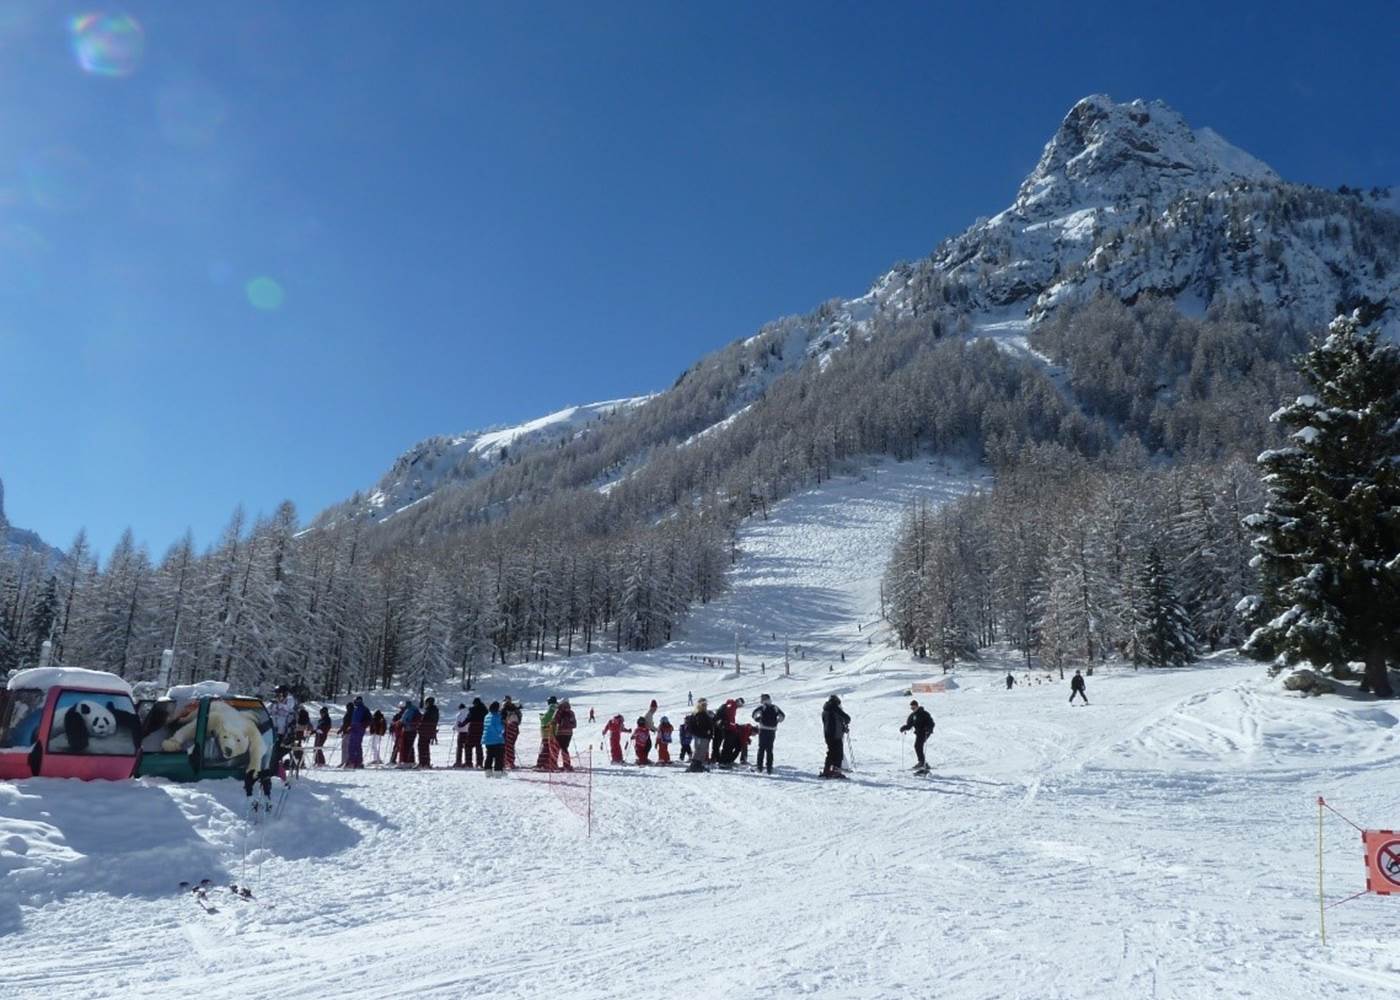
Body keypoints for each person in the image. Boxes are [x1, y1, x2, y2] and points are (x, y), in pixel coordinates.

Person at [751, 693, 785, 774]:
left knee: (761, 748)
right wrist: (777, 721)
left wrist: (758, 719)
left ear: (764, 700)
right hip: (772, 730)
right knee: (769, 749)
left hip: (763, 729)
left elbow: (754, 714)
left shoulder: (762, 707)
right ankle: (769, 767)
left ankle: (759, 767)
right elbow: (782, 716)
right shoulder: (775, 707)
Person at [899, 699, 935, 774]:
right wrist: (904, 728)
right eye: (911, 708)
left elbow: (931, 723)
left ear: (917, 706)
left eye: (914, 707)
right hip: (919, 733)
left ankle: (922, 762)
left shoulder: (924, 713)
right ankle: (923, 763)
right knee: (918, 746)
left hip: (925, 732)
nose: (913, 709)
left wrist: (928, 728)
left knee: (918, 745)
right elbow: (909, 725)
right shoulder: (912, 716)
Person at [820, 695, 849, 779]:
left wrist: (843, 728)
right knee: (838, 754)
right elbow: (847, 718)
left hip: (828, 735)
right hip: (836, 735)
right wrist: (845, 724)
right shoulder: (834, 708)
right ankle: (836, 772)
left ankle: (827, 771)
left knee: (831, 753)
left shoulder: (825, 710)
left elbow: (833, 722)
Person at [686, 699, 713, 773]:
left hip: (704, 736)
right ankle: (693, 766)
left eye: (705, 705)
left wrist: (709, 733)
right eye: (703, 705)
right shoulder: (697, 714)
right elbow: (696, 726)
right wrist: (704, 732)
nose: (705, 706)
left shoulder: (704, 714)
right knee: (699, 750)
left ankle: (699, 764)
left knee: (703, 750)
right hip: (700, 736)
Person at [346, 696, 370, 768]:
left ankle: (357, 762)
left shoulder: (364, 709)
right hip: (354, 728)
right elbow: (353, 720)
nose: (354, 702)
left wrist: (362, 725)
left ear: (359, 701)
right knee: (351, 745)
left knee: (356, 745)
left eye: (355, 701)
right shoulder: (355, 709)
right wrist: (350, 726)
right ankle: (352, 761)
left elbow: (369, 719)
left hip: (359, 729)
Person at [535, 696, 560, 770]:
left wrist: (541, 717)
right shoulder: (557, 708)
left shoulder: (551, 708)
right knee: (551, 748)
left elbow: (546, 719)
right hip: (554, 732)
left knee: (545, 748)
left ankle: (541, 764)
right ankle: (551, 763)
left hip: (547, 732)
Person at [483, 701, 506, 775]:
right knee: (498, 756)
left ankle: (488, 770)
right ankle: (498, 771)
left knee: (489, 755)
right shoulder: (498, 717)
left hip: (487, 739)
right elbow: (499, 728)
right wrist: (503, 726)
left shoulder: (487, 716)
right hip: (497, 739)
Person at [554, 698, 577, 771]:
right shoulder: (571, 712)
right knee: (565, 748)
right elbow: (574, 724)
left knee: (556, 748)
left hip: (560, 732)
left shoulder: (559, 711)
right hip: (569, 733)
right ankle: (567, 764)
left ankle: (554, 763)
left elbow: (555, 720)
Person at [417, 697, 439, 769]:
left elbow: (424, 720)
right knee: (426, 746)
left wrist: (419, 726)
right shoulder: (435, 710)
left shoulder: (429, 710)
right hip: (430, 730)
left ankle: (422, 762)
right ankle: (426, 762)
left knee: (422, 746)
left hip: (425, 731)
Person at [466, 697, 488, 768]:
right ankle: (480, 762)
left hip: (472, 729)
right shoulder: (484, 710)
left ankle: (469, 762)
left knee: (468, 746)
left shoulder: (472, 710)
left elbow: (468, 719)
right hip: (481, 729)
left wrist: (461, 724)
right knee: (479, 746)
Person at [398, 700, 421, 767]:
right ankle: (411, 760)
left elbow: (403, 719)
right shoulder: (416, 710)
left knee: (406, 746)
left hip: (408, 729)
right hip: (414, 730)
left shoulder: (409, 710)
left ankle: (406, 761)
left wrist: (398, 723)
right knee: (411, 745)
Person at [502, 697, 522, 768]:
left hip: (508, 729)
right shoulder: (516, 709)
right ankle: (509, 761)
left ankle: (508, 762)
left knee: (507, 746)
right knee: (510, 745)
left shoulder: (504, 709)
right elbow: (519, 719)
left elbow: (502, 719)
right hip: (514, 728)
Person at [453, 702, 471, 767]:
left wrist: (454, 728)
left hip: (461, 733)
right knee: (467, 747)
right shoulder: (468, 713)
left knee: (459, 748)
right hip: (468, 733)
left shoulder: (459, 714)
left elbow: (457, 724)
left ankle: (458, 761)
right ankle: (468, 762)